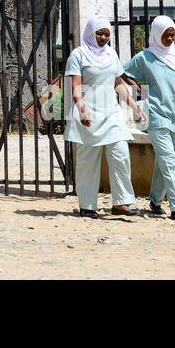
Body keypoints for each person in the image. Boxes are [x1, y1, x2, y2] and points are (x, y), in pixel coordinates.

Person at [64, 14, 140, 219]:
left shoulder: (111, 55)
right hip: (88, 113)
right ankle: (87, 205)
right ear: (91, 33)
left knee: (121, 154)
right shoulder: (78, 55)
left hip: (112, 114)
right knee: (88, 160)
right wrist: (82, 110)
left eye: (107, 34)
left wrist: (133, 105)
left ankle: (122, 202)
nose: (104, 38)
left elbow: (117, 83)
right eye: (100, 33)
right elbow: (76, 87)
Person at [122, 15, 175, 222]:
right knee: (168, 161)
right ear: (156, 34)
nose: (170, 39)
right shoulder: (145, 57)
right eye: (166, 35)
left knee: (165, 162)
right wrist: (136, 86)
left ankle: (155, 200)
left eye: (172, 34)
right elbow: (121, 72)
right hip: (155, 116)